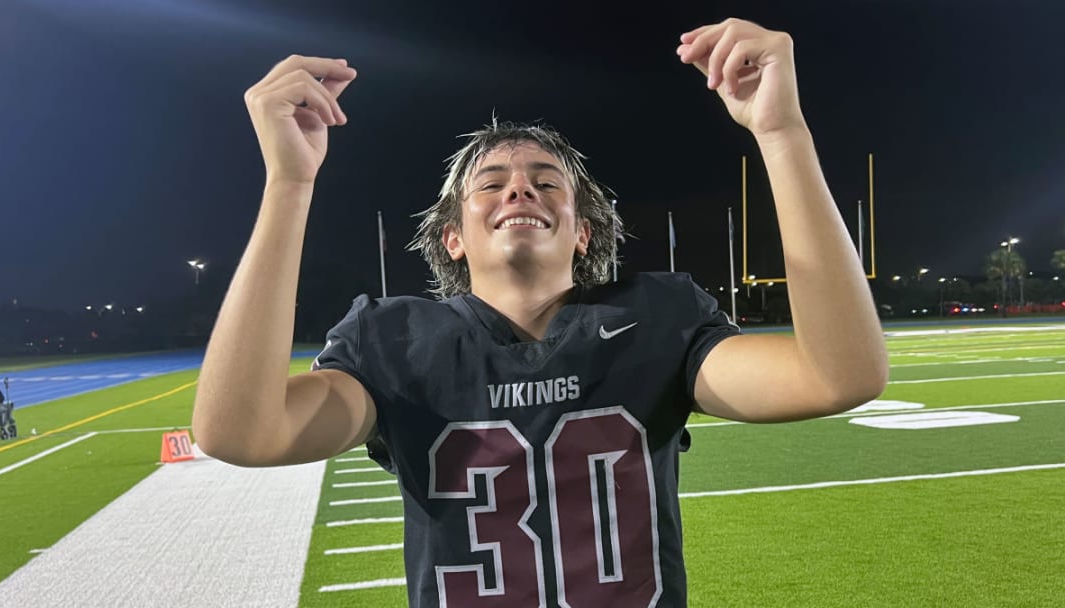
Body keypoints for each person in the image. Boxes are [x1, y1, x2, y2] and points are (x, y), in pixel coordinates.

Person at [192, 17, 889, 607]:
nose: (519, 189)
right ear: (453, 239)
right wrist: (288, 182)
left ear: (582, 231)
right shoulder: (395, 342)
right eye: (490, 183)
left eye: (545, 182)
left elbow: (838, 376)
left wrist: (782, 132)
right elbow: (238, 434)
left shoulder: (656, 319)